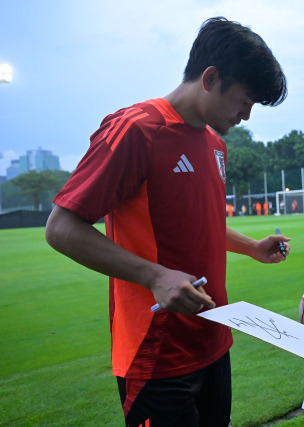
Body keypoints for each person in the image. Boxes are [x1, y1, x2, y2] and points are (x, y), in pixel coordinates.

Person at [45, 17, 290, 427]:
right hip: (155, 351)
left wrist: (249, 246)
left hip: (213, 337)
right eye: (244, 101)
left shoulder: (214, 144)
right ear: (210, 78)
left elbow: (196, 222)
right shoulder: (135, 130)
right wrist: (155, 276)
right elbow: (61, 227)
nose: (246, 115)